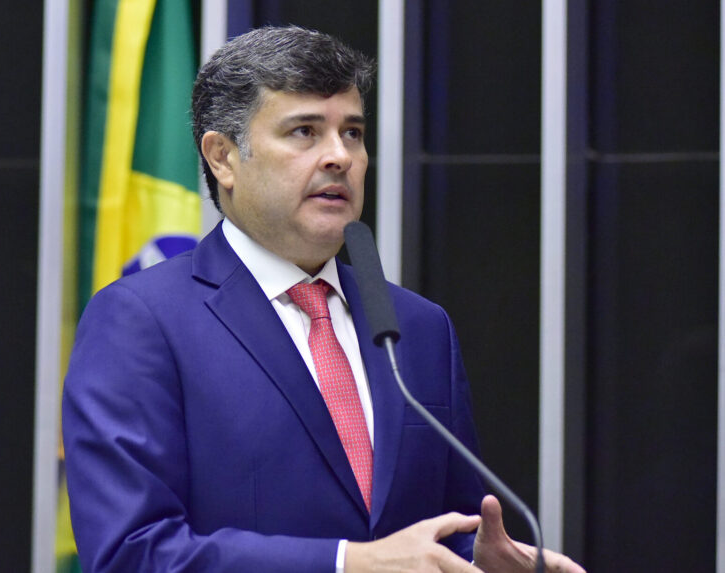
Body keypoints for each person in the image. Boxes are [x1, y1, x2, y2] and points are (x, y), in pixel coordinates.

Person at [63, 25, 585, 573]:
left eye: (353, 133)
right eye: (305, 132)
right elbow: (131, 553)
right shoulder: (142, 321)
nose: (340, 156)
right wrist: (345, 563)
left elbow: (440, 532)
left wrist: (475, 562)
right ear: (222, 158)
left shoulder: (417, 327)